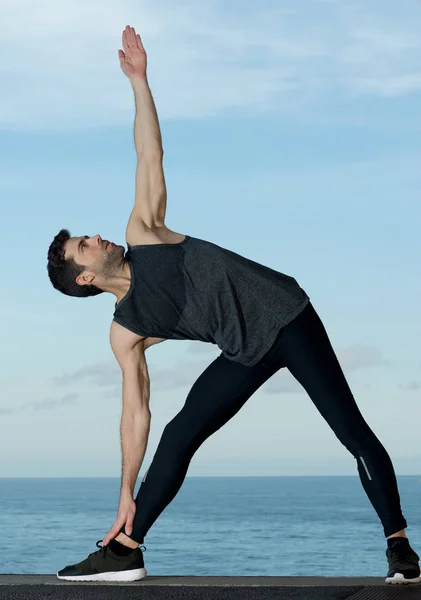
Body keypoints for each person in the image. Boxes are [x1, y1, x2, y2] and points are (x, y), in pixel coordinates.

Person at [47, 25, 420, 585]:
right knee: (178, 434)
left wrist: (140, 83)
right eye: (85, 245)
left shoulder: (144, 232)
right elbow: (134, 413)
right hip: (245, 349)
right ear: (84, 277)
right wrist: (126, 489)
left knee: (350, 429)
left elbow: (150, 151)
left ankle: (400, 550)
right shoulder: (127, 330)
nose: (96, 237)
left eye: (88, 235)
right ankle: (126, 549)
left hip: (287, 316)